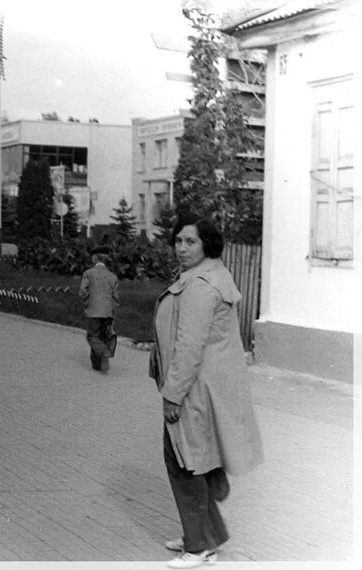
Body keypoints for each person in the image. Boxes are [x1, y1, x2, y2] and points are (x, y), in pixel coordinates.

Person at [150, 214, 263, 569]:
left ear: (207, 245)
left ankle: (198, 547)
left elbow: (189, 347)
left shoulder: (200, 285)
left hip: (193, 390)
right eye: (178, 241)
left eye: (190, 242)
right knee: (191, 461)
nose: (181, 248)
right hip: (206, 387)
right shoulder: (212, 275)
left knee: (184, 464)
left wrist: (172, 394)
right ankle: (206, 536)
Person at [78, 247, 119, 372]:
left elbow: (82, 291)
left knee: (92, 337)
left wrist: (87, 304)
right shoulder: (112, 276)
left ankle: (104, 352)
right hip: (107, 312)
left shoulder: (88, 273)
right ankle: (97, 365)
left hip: (94, 311)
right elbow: (116, 298)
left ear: (95, 258)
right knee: (102, 336)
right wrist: (112, 312)